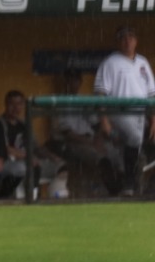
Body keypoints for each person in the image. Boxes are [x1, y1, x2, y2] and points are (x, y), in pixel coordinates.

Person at [94, 26, 155, 196]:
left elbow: (151, 94)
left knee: (134, 152)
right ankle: (128, 184)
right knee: (134, 141)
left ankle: (135, 188)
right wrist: (104, 121)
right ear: (118, 42)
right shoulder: (110, 62)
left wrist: (153, 120)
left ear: (136, 41)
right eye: (123, 38)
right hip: (119, 112)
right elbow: (100, 94)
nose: (127, 41)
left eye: (131, 37)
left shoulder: (142, 62)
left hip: (140, 115)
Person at [49, 68, 117, 197]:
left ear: (80, 81)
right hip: (71, 143)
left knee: (115, 155)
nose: (73, 83)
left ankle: (125, 191)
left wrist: (98, 140)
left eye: (76, 80)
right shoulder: (58, 101)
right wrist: (91, 142)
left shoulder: (84, 100)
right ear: (65, 81)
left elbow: (97, 125)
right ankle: (114, 193)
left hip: (90, 140)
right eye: (70, 80)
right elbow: (67, 133)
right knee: (102, 159)